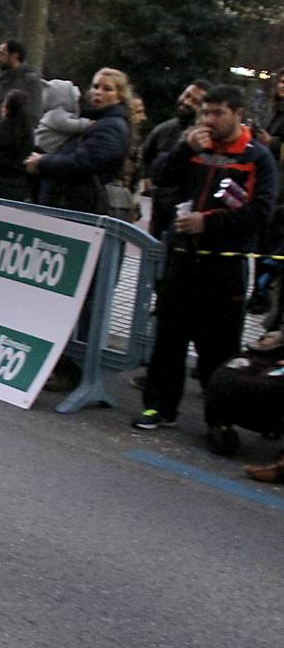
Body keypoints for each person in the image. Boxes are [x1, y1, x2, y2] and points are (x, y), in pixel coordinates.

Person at [133, 84, 277, 431]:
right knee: (169, 339)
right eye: (206, 113)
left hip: (224, 265)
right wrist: (183, 149)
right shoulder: (194, 147)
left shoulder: (256, 158)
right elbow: (161, 178)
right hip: (182, 259)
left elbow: (260, 213)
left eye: (218, 113)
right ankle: (159, 407)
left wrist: (207, 223)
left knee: (219, 346)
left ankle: (219, 419)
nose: (210, 121)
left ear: (238, 115)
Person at [23, 68, 133, 214]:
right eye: (95, 87)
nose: (98, 92)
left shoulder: (111, 126)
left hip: (79, 206)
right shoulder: (97, 121)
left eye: (107, 89)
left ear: (120, 97)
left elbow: (85, 162)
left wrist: (43, 161)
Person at [141, 80, 211, 238]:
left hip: (185, 209)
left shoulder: (204, 135)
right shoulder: (163, 129)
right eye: (187, 96)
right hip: (160, 206)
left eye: (195, 101)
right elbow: (147, 156)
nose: (186, 102)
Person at [0, 39, 45, 128]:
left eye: (2, 54)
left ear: (14, 56)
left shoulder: (30, 81)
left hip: (16, 137)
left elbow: (34, 115)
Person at [32, 79, 89, 154]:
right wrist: (86, 123)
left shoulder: (59, 113)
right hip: (44, 147)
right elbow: (69, 125)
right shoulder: (55, 115)